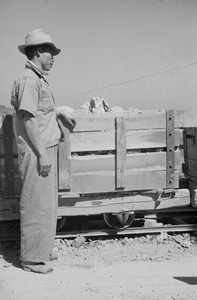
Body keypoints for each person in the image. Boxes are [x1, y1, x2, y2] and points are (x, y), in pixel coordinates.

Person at [11, 29, 76, 273]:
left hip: (43, 148)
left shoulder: (37, 79)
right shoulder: (29, 80)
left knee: (47, 205)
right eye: (50, 51)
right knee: (36, 204)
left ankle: (43, 250)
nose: (53, 56)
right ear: (38, 52)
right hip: (37, 151)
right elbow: (28, 119)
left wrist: (57, 113)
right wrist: (41, 154)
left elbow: (38, 110)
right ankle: (32, 260)